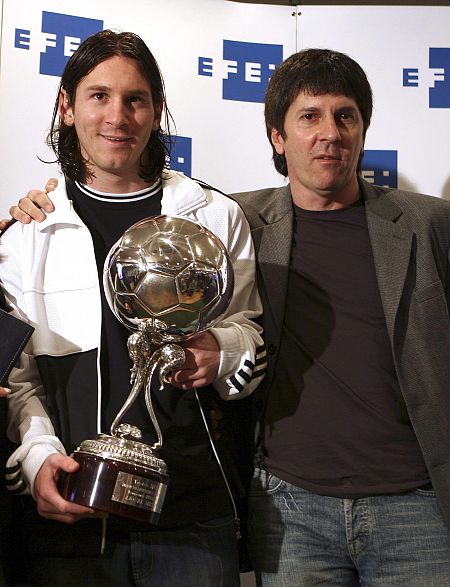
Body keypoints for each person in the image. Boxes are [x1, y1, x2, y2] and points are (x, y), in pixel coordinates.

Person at [0, 30, 265, 587]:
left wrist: (220, 354)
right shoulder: (27, 233)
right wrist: (38, 461)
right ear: (67, 107)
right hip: (72, 509)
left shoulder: (215, 216)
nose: (117, 116)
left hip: (191, 515)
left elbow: (250, 332)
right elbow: (19, 380)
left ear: (157, 111)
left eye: (135, 99)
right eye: (99, 96)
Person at [229, 48, 450, 586]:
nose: (330, 132)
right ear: (278, 138)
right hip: (291, 511)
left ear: (362, 129)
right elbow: (130, 215)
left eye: (345, 115)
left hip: (416, 508)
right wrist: (40, 211)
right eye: (310, 116)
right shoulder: (239, 224)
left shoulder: (429, 224)